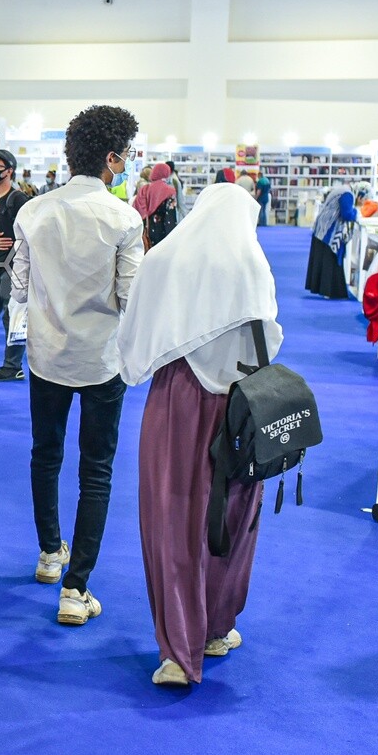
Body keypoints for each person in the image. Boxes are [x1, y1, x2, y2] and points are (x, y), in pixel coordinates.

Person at [118, 183, 282, 686]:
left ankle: (175, 650)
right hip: (237, 410)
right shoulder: (250, 263)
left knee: (171, 515)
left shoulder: (164, 258)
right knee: (232, 516)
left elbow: (133, 340)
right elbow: (269, 340)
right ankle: (214, 628)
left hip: (174, 404)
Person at [10, 105, 144, 627]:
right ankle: (76, 587)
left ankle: (49, 553)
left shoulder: (32, 212)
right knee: (97, 471)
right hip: (102, 359)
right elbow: (132, 296)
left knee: (45, 455)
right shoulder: (122, 218)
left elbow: (18, 288)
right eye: (126, 155)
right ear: (111, 157)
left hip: (46, 355)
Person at [0, 148, 29, 382]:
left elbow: (30, 231)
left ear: (9, 171)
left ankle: (13, 366)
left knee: (12, 316)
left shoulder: (18, 199)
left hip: (14, 265)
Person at [305, 181, 358, 299]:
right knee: (330, 260)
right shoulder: (347, 194)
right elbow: (347, 214)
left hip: (322, 228)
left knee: (323, 260)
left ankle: (324, 289)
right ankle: (329, 290)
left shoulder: (340, 190)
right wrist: (356, 212)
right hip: (329, 230)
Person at [131, 162, 179, 250]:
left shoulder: (144, 189)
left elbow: (137, 209)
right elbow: (170, 217)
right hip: (162, 231)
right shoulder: (169, 191)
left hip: (146, 230)